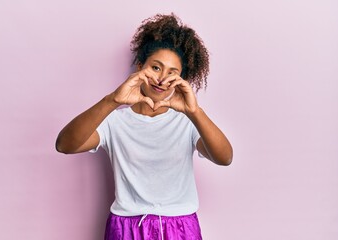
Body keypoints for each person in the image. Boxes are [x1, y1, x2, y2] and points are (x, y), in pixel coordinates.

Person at [56, 13, 233, 240]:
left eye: (172, 72)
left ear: (182, 79)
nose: (161, 79)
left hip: (180, 226)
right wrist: (112, 100)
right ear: (141, 66)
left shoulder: (188, 122)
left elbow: (224, 157)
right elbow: (64, 145)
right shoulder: (115, 121)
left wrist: (194, 112)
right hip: (126, 227)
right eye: (156, 68)